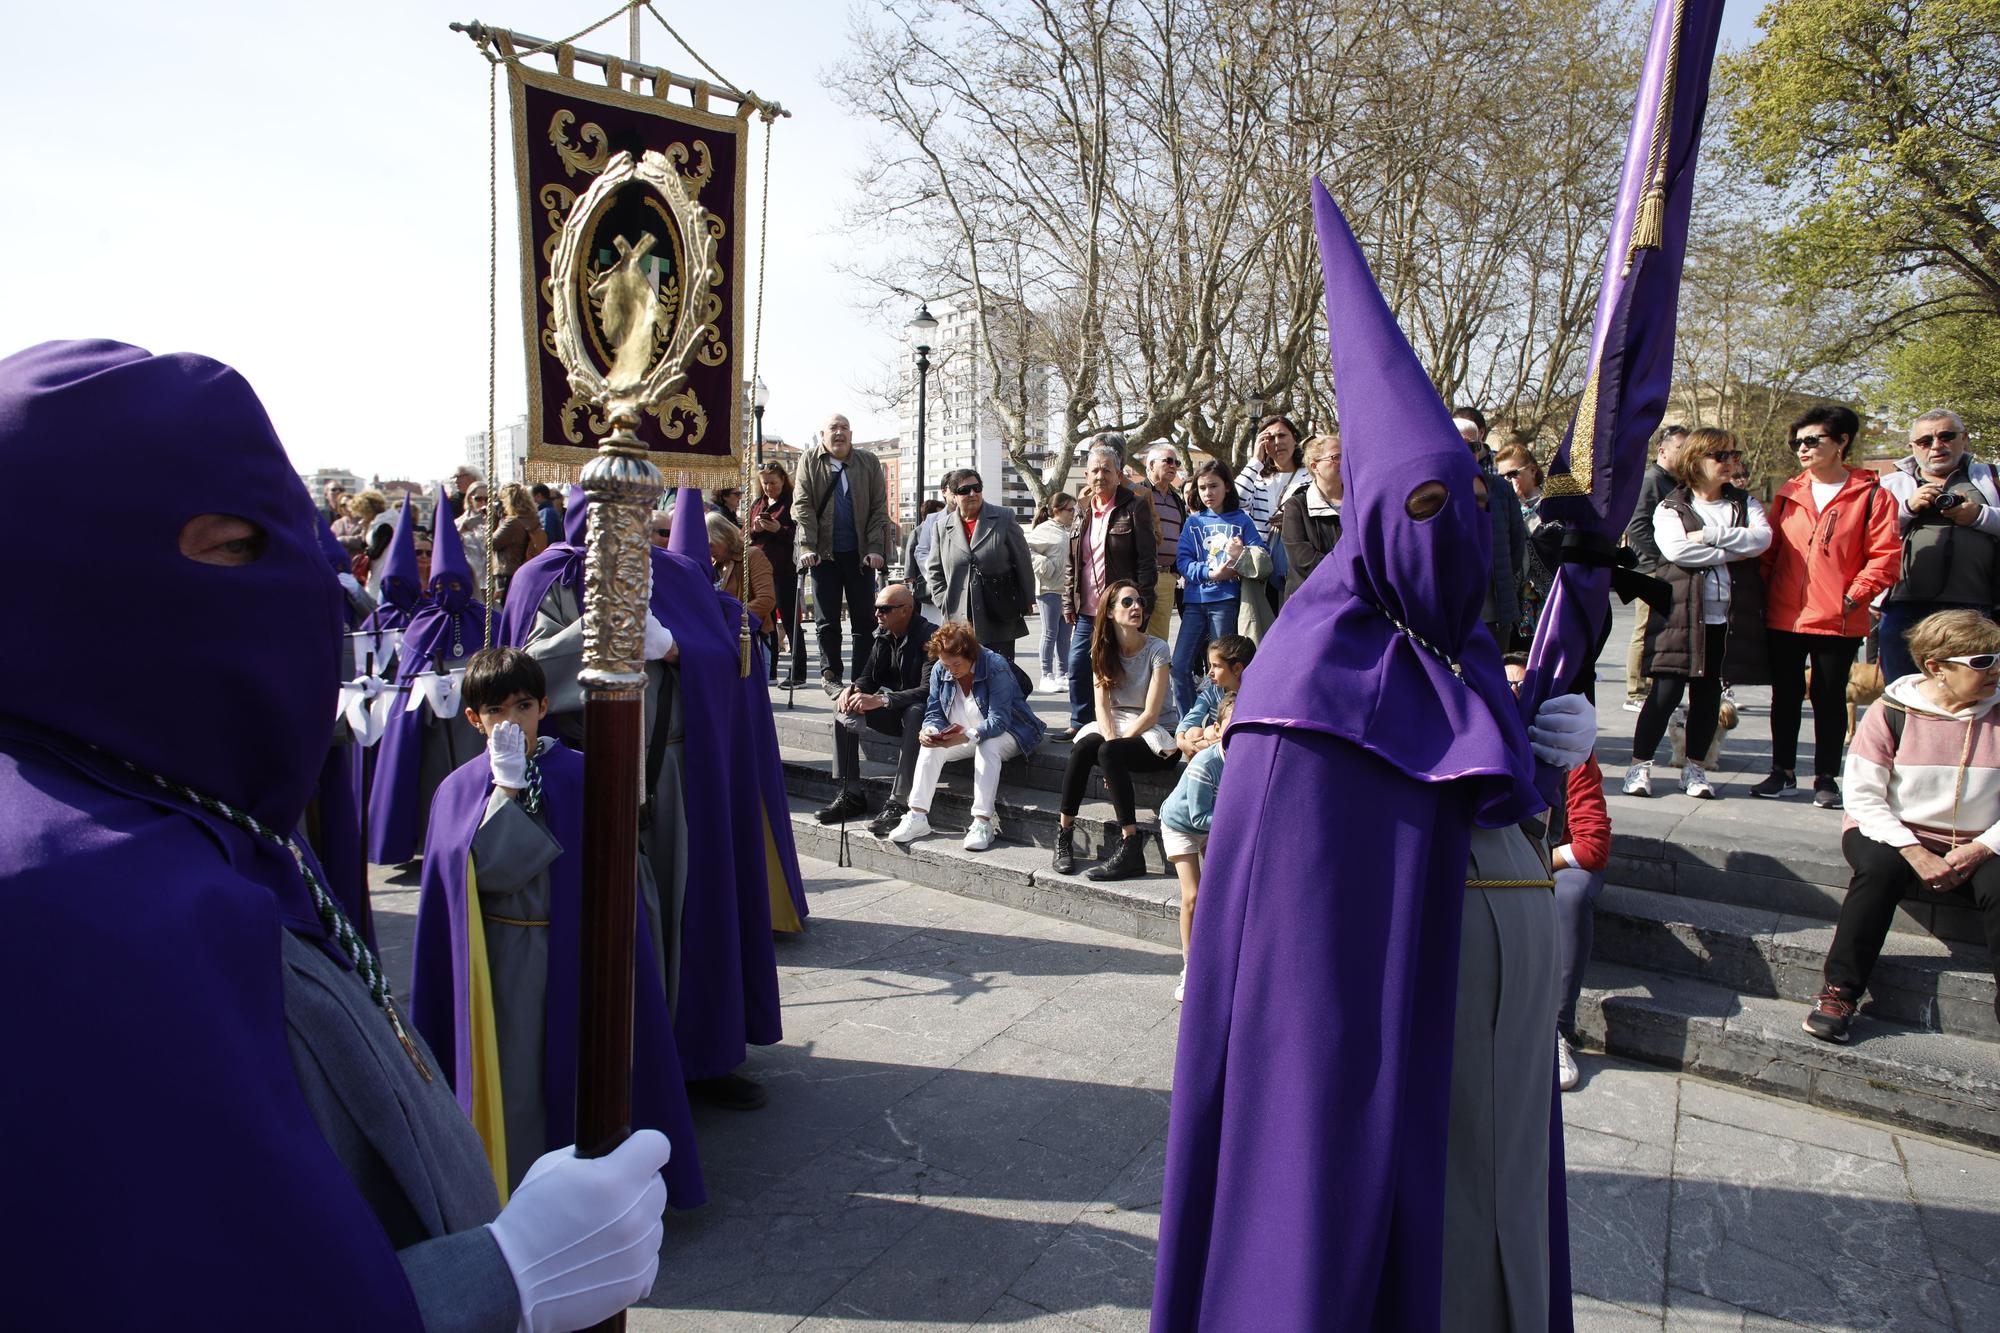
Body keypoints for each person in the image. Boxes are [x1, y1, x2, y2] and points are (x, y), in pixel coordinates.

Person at [1, 339, 673, 1331]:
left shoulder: (184, 803)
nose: (300, 599)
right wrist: (499, 1282)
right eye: (235, 551)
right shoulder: (67, 911)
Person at [1153, 191, 1596, 1331]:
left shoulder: (1451, 652)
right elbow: (1304, 976)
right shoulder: (1301, 692)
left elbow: (1481, 813)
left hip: (1493, 1056)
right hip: (1389, 1063)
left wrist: (1543, 746)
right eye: (1421, 504)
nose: (1446, 532)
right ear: (1367, 516)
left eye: (1463, 501)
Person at [502, 493, 783, 1107]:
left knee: (688, 909)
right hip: (589, 773)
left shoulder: (677, 576)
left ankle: (697, 1056)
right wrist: (605, 630)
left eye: (652, 524)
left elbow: (727, 651)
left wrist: (678, 647)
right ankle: (615, 1070)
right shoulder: (547, 579)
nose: (644, 534)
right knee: (608, 924)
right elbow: (524, 677)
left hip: (678, 770)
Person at [411, 647, 705, 1206]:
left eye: (523, 705)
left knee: (582, 1076)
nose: (511, 722)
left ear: (545, 706)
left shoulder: (578, 773)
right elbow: (482, 873)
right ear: (473, 718)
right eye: (495, 710)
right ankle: (515, 1188)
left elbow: (620, 868)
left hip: (574, 950)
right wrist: (506, 792)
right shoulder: (458, 791)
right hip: (499, 954)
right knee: (516, 1078)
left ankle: (590, 1191)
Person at [1805, 609, 2000, 1043]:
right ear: (1937, 668)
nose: (1996, 670)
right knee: (1879, 870)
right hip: (1890, 829)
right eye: (1982, 662)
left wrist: (1983, 847)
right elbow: (1863, 797)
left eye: (1999, 658)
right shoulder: (1890, 711)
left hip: (1978, 837)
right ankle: (1839, 992)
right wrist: (1913, 851)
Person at [1754, 405, 1901, 807]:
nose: (1802, 448)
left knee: (1829, 697)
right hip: (1785, 614)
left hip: (1838, 617)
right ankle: (1781, 771)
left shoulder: (1873, 495)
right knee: (1784, 696)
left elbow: (1885, 555)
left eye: (1812, 440)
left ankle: (1825, 778)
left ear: (1841, 442)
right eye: (1797, 442)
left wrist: (1854, 595)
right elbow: (1773, 552)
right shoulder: (1789, 493)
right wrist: (1764, 596)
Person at [1626, 427, 1771, 800]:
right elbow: (1677, 552)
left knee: (1708, 696)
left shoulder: (1745, 503)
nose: (1730, 463)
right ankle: (1639, 766)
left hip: (1727, 617)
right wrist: (1735, 548)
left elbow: (1763, 539)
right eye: (1719, 456)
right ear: (1694, 461)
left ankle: (1695, 769)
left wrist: (1707, 537)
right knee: (1664, 693)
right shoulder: (1671, 505)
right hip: (1680, 613)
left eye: (1733, 455)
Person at [1501, 652, 1611, 1093]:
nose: (1513, 693)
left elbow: (1593, 844)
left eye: (1522, 686)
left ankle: (1557, 1031)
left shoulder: (1567, 743)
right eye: (1504, 684)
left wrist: (1539, 862)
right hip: (1511, 863)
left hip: (1559, 863)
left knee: (1568, 895)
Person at [368, 487, 490, 865]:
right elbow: (404, 679)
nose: (447, 592)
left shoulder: (487, 619)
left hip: (476, 720)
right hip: (433, 726)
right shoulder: (422, 625)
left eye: (455, 583)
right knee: (432, 783)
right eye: (440, 585)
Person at [1052, 578, 1181, 881]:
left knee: (1110, 750)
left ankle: (1131, 845)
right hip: (1119, 725)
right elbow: (1102, 707)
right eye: (1127, 602)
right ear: (1109, 612)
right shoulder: (1102, 649)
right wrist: (1114, 750)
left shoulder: (1157, 649)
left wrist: (1116, 751)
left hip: (1158, 734)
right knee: (1085, 747)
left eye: (1139, 601)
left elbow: (1151, 713)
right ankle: (1064, 834)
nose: (1136, 607)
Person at [884, 621, 1047, 851]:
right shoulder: (941, 669)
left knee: (987, 745)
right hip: (965, 733)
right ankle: (917, 816)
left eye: (956, 664)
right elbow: (934, 711)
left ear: (971, 654)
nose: (950, 670)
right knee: (931, 744)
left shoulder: (995, 666)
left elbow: (999, 721)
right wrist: (929, 729)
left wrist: (967, 735)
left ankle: (982, 822)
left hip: (1013, 731)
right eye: (945, 664)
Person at [1876, 409, 2000, 683]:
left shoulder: (1991, 478)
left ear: (1964, 438)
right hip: (1904, 606)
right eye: (1925, 441)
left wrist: (1979, 515)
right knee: (1903, 689)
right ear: (1912, 447)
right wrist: (1907, 509)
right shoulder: (1889, 485)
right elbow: (1866, 535)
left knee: (1974, 694)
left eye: (1946, 436)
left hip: (1976, 608)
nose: (1936, 446)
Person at [817, 583, 939, 838]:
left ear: (905, 610)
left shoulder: (930, 637)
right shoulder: (883, 635)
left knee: (916, 710)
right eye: (876, 609)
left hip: (923, 715)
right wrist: (853, 690)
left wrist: (882, 701)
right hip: (893, 709)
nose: (877, 615)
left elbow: (928, 691)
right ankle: (851, 793)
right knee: (844, 707)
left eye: (884, 609)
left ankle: (899, 801)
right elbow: (868, 677)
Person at [1063, 438, 1158, 731]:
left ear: (1119, 475)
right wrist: (1069, 600)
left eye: (1106, 470)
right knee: (1078, 665)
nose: (1100, 476)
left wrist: (1142, 602)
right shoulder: (1082, 510)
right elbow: (1072, 561)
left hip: (1121, 606)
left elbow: (1146, 560)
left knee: (1120, 668)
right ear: (1086, 475)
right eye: (1094, 471)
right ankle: (1081, 723)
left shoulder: (1135, 507)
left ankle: (1118, 724)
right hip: (1088, 608)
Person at [795, 413, 890, 686]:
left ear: (851, 434)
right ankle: (831, 672)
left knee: (864, 620)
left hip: (859, 555)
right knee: (827, 620)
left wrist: (874, 548)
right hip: (823, 554)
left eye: (844, 428)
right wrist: (806, 546)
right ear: (822, 434)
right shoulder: (809, 460)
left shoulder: (868, 461)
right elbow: (802, 506)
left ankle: (862, 675)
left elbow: (878, 508)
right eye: (833, 428)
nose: (839, 433)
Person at [1173, 461, 1267, 716]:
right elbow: (1182, 561)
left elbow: (1261, 554)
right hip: (1194, 602)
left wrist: (1240, 556)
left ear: (1227, 486)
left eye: (1213, 486)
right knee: (1180, 665)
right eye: (1202, 488)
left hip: (1226, 602)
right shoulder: (1193, 523)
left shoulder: (1241, 520)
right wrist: (1210, 573)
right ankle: (1190, 722)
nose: (1207, 493)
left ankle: (1222, 722)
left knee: (1220, 669)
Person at [1160, 689, 1233, 1005]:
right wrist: (1238, 819)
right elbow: (1199, 816)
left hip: (1213, 824)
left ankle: (1220, 954)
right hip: (1182, 825)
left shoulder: (1248, 761)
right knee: (1193, 895)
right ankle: (1190, 968)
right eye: (1231, 726)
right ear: (1217, 730)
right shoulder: (1205, 764)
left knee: (1225, 888)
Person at [925, 467, 1036, 662]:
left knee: (1000, 673)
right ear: (953, 495)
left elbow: (1023, 560)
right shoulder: (941, 527)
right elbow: (935, 570)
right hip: (958, 617)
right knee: (964, 673)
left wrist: (1027, 599)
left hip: (998, 611)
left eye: (977, 488)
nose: (972, 493)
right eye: (964, 490)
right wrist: (944, 600)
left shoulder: (1004, 517)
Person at [1624, 425, 1689, 709]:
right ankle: (1636, 691)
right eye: (1681, 448)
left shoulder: (1676, 483)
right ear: (1663, 450)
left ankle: (1650, 688)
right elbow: (1636, 525)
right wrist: (1662, 557)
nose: (1686, 454)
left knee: (1660, 629)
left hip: (1664, 568)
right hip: (1650, 568)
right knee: (1645, 629)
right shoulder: (1651, 480)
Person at [1455, 408, 1530, 648]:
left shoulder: (1500, 489)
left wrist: (1504, 574)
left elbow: (1517, 546)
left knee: (1496, 680)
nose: (1469, 454)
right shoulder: (1435, 490)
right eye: (1461, 445)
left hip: (1495, 613)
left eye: (1474, 447)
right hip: (1453, 613)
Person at [1234, 415, 1307, 638]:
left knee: (1298, 624)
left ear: (1295, 438)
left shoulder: (1310, 475)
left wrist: (1294, 519)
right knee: (1265, 626)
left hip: (1300, 562)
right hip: (1263, 565)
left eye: (1282, 435)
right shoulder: (1257, 477)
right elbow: (1235, 501)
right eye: (1269, 438)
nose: (1277, 442)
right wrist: (1255, 460)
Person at [1494, 443, 1555, 649]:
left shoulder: (1551, 505)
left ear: (1532, 470)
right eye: (1502, 476)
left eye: (1513, 474)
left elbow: (1548, 543)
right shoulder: (1500, 507)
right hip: (1511, 605)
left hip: (1546, 603)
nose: (1507, 481)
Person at [747, 461, 797, 673]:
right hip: (760, 568)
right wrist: (755, 528)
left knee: (789, 619)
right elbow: (747, 535)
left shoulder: (791, 502)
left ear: (783, 480)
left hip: (783, 568)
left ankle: (798, 671)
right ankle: (771, 668)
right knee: (766, 619)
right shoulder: (758, 503)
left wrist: (778, 529)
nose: (769, 487)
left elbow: (798, 535)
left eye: (773, 483)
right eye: (765, 483)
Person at [1027, 492, 1077, 692]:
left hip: (1066, 589)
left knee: (1065, 635)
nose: (1073, 513)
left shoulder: (1071, 529)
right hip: (1048, 588)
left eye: (1074, 509)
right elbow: (1027, 550)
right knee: (1050, 633)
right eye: (1070, 509)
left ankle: (1062, 673)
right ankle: (1046, 674)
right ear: (1056, 510)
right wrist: (1044, 565)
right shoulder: (1043, 529)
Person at [1176, 634, 1254, 759]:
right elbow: (1193, 716)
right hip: (1214, 746)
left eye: (1216, 666)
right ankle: (1197, 775)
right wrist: (1181, 740)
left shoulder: (1251, 694)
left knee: (1210, 732)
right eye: (1210, 665)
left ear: (1237, 668)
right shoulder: (1213, 691)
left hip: (1241, 747)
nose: (1209, 672)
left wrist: (1209, 744)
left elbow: (1246, 734)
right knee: (1192, 733)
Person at [1278, 432, 1342, 584]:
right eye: (1336, 457)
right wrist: (1351, 572)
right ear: (1315, 466)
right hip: (1311, 599)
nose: (1343, 462)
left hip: (1358, 599)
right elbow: (1303, 560)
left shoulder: (1358, 503)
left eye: (1346, 456)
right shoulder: (1296, 506)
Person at [1140, 442, 1187, 640]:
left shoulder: (1177, 500)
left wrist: (1176, 573)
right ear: (1150, 466)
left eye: (1176, 462)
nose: (1173, 466)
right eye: (1167, 461)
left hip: (1168, 577)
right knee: (1136, 634)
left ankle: (1155, 672)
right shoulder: (1137, 494)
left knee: (1159, 639)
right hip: (1140, 576)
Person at [707, 509, 776, 635]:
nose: (708, 550)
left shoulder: (752, 555)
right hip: (724, 635)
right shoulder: (712, 565)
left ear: (724, 537)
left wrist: (728, 616)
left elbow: (766, 600)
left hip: (752, 635)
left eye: (710, 544)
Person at [489, 482, 544, 591]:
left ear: (508, 500)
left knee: (506, 606)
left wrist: (493, 517)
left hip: (509, 572)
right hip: (526, 570)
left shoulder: (513, 523)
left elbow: (490, 544)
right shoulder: (532, 518)